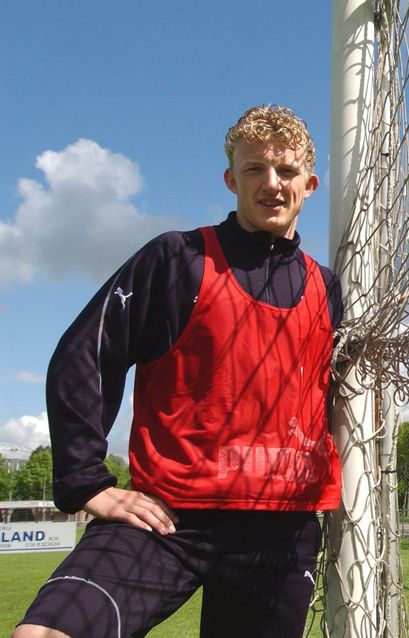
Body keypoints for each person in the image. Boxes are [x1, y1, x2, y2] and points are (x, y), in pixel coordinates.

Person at [14, 105, 344, 638]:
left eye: (285, 172)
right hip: (169, 518)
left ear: (309, 183)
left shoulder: (328, 289)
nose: (271, 184)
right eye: (255, 169)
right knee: (45, 634)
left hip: (280, 529)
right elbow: (84, 354)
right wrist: (84, 482)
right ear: (230, 179)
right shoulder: (178, 258)